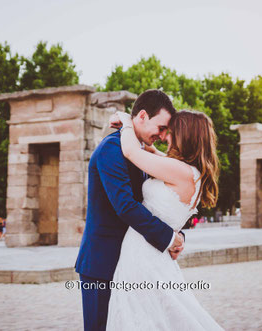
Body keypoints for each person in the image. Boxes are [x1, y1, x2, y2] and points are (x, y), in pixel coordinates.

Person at [74, 90, 185, 331]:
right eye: (162, 127)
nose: (163, 135)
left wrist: (178, 235)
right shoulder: (111, 149)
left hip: (134, 264)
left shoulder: (141, 152)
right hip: (103, 265)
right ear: (142, 116)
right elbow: (125, 205)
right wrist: (168, 238)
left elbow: (158, 202)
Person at [106, 109, 223, 330]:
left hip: (142, 255)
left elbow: (131, 151)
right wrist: (149, 144)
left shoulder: (178, 170)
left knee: (140, 317)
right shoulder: (192, 172)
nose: (165, 136)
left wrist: (126, 120)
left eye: (170, 132)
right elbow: (155, 154)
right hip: (155, 254)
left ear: (183, 135)